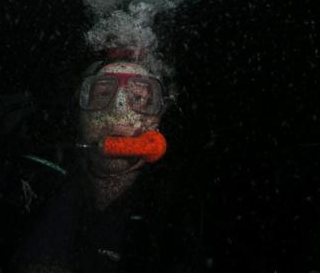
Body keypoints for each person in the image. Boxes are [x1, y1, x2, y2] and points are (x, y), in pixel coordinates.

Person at [11, 46, 202, 272]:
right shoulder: (24, 181)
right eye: (102, 94)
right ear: (78, 109)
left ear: (160, 116)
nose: (118, 110)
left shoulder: (178, 215)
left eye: (140, 98)